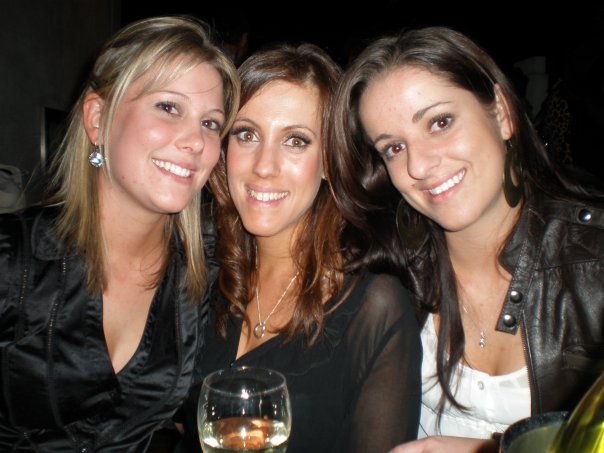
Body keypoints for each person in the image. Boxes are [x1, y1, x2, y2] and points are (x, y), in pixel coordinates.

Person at [326, 26, 604, 452]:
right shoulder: (387, 266)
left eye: (440, 123)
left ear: (502, 113)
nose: (419, 166)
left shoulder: (593, 263)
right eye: (394, 148)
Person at [0, 15, 239, 451]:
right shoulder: (13, 260)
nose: (195, 141)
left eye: (210, 123)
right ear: (97, 118)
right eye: (169, 107)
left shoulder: (203, 277)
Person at [174, 42, 422, 453]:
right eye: (247, 134)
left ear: (329, 161)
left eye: (295, 141)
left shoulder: (375, 311)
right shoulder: (202, 276)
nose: (264, 166)